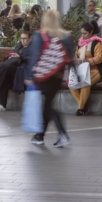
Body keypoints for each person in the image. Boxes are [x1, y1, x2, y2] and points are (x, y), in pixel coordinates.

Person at [27, 9, 75, 146]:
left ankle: (63, 135)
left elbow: (34, 56)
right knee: (47, 104)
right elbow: (70, 58)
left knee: (48, 105)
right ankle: (39, 136)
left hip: (44, 75)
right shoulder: (65, 36)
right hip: (57, 76)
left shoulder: (40, 35)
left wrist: (29, 75)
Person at [0, 28, 31, 112]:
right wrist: (10, 57)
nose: (23, 40)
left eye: (25, 38)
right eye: (21, 38)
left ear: (30, 38)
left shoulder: (31, 49)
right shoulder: (18, 47)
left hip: (21, 72)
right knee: (4, 77)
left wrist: (19, 58)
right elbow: (8, 61)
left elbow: (30, 62)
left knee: (6, 69)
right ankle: (1, 105)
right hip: (12, 71)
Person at [69, 21, 102, 115]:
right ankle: (83, 105)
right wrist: (75, 59)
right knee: (72, 85)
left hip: (96, 70)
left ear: (91, 32)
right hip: (83, 70)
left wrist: (84, 61)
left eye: (85, 33)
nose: (83, 35)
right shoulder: (80, 43)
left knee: (85, 84)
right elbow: (77, 54)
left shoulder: (97, 42)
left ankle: (80, 108)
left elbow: (99, 59)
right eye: (82, 33)